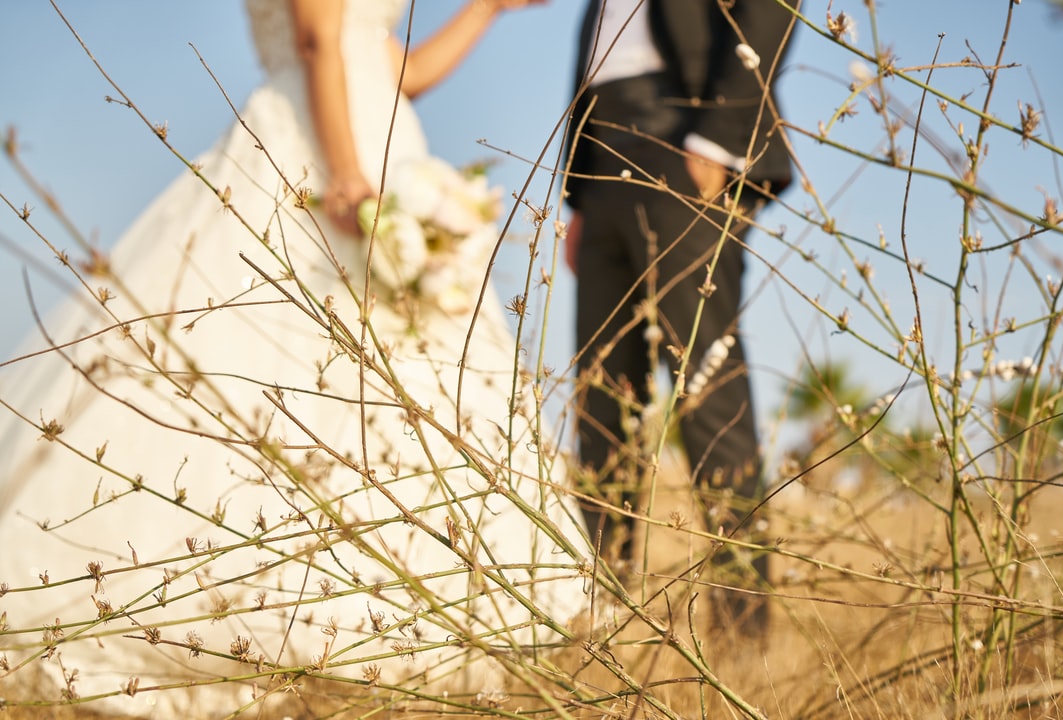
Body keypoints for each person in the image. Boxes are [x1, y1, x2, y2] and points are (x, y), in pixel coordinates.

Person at [0, 1, 588, 716]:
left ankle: (395, 613)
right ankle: (254, 610)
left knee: (407, 369)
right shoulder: (326, 115)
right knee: (276, 347)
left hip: (381, 133)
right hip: (318, 141)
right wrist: (345, 174)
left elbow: (391, 68)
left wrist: (486, 10)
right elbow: (316, 40)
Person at [563, 0, 794, 624]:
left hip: (688, 134)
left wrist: (722, 133)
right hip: (601, 158)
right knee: (602, 394)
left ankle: (742, 628)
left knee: (706, 383)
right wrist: (579, 194)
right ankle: (602, 614)